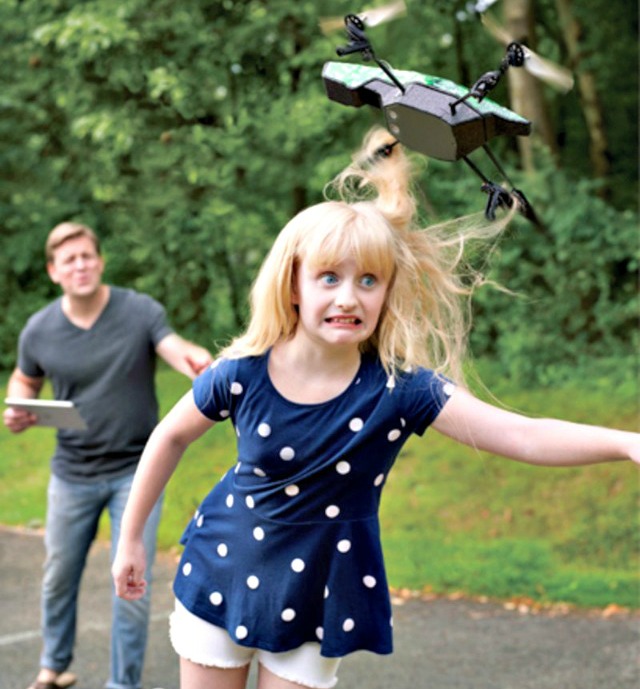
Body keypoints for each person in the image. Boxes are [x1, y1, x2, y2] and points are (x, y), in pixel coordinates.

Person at [112, 129, 639, 689]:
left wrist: (626, 443)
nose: (348, 297)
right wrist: (129, 542)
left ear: (387, 292)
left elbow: (525, 436)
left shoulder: (401, 390)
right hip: (221, 569)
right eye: (329, 278)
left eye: (368, 280)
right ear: (293, 285)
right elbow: (167, 438)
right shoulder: (243, 373)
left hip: (318, 591)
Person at [3, 222, 213, 689]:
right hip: (72, 473)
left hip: (136, 473)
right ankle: (54, 668)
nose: (80, 265)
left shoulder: (138, 310)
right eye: (69, 259)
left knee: (131, 583)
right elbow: (24, 380)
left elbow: (173, 347)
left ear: (99, 261)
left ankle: (123, 684)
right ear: (53, 271)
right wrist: (17, 407)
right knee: (58, 576)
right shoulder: (40, 329)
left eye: (86, 256)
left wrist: (197, 363)